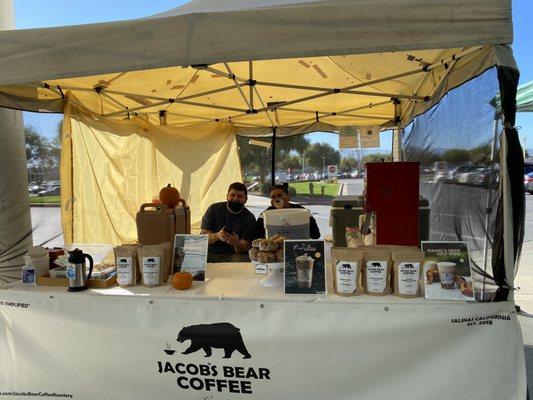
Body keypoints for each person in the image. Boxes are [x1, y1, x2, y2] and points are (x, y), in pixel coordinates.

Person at [201, 182, 256, 263]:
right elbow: (203, 239)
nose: (236, 198)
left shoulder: (250, 218)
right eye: (232, 195)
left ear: (246, 199)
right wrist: (218, 235)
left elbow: (244, 247)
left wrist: (236, 243)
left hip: (233, 255)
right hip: (209, 253)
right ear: (227, 196)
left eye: (240, 196)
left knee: (244, 260)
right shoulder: (213, 209)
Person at [255, 183, 321, 239]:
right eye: (273, 197)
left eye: (280, 195)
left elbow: (316, 235)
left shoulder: (301, 211)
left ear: (288, 197)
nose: (277, 199)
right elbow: (256, 234)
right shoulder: (266, 214)